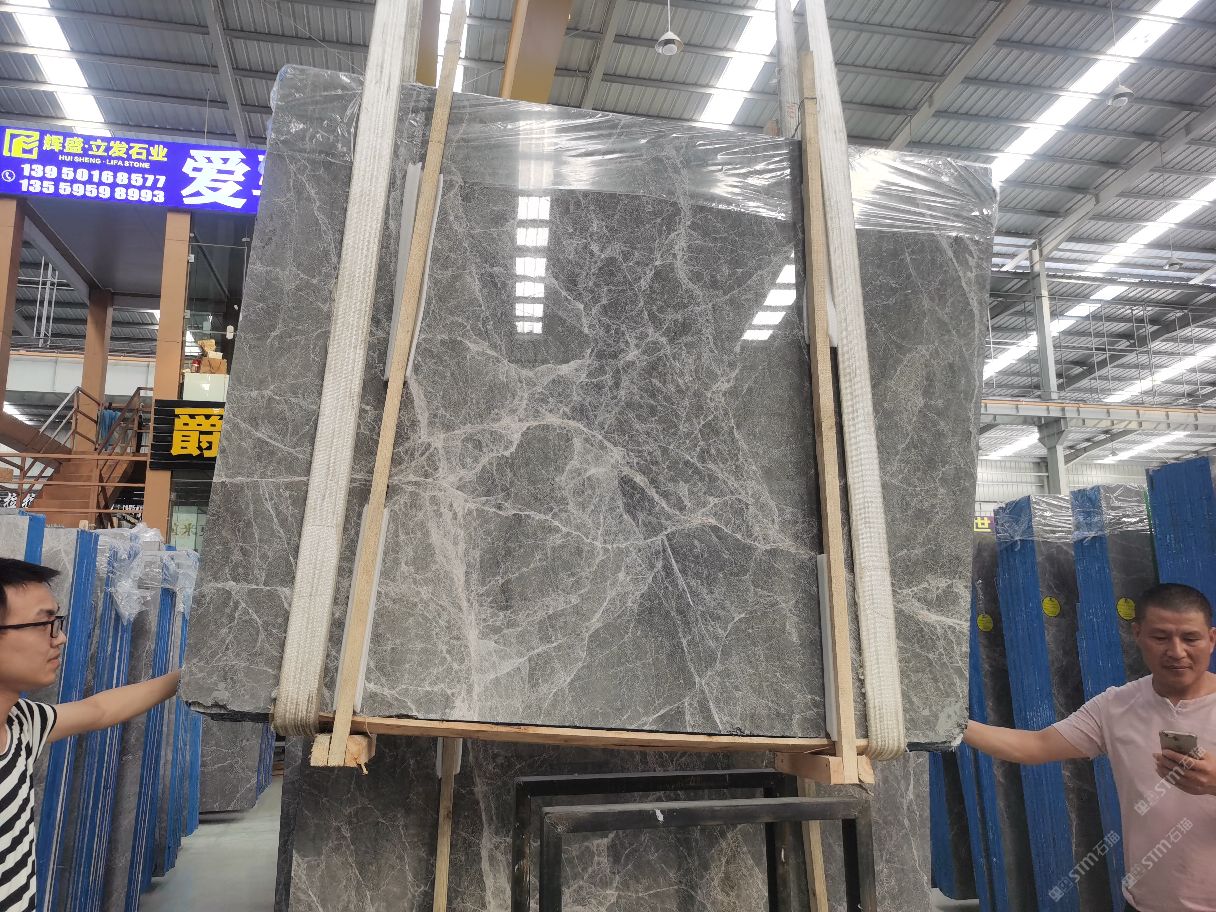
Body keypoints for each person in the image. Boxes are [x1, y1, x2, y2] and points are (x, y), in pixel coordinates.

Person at [964, 582, 1216, 912]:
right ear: (1137, 634)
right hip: (1145, 904)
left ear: (1211, 639)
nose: (1177, 651)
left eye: (1190, 638)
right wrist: (956, 724)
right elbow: (1035, 746)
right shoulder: (1116, 706)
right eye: (1160, 637)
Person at [0, 557, 180, 912]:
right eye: (44, 624)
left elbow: (100, 710)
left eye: (57, 622)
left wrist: (190, 676)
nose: (60, 637)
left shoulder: (20, 723)